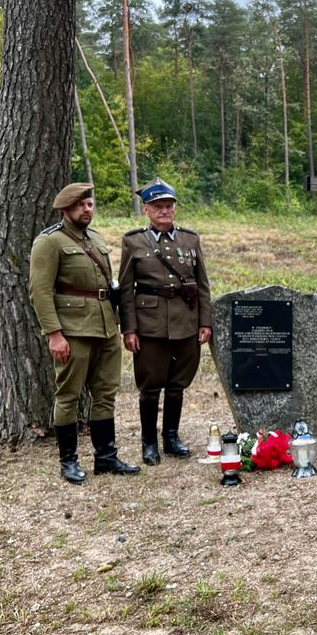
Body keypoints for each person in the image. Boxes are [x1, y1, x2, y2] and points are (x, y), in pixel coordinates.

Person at [29, 182, 140, 483]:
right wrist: (54, 333)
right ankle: (68, 461)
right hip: (73, 331)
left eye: (90, 204)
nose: (87, 209)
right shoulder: (49, 242)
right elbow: (40, 291)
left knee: (105, 394)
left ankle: (106, 457)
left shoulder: (96, 238)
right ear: (66, 208)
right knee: (69, 396)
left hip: (105, 327)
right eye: (80, 205)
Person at [118, 178, 212, 466]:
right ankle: (149, 443)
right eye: (158, 206)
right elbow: (125, 289)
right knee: (150, 386)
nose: (164, 211)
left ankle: (171, 437)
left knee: (177, 384)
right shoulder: (133, 241)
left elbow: (203, 285)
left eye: (169, 206)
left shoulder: (189, 240)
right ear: (146, 209)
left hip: (186, 322)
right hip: (150, 325)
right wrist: (129, 328)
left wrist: (204, 322)